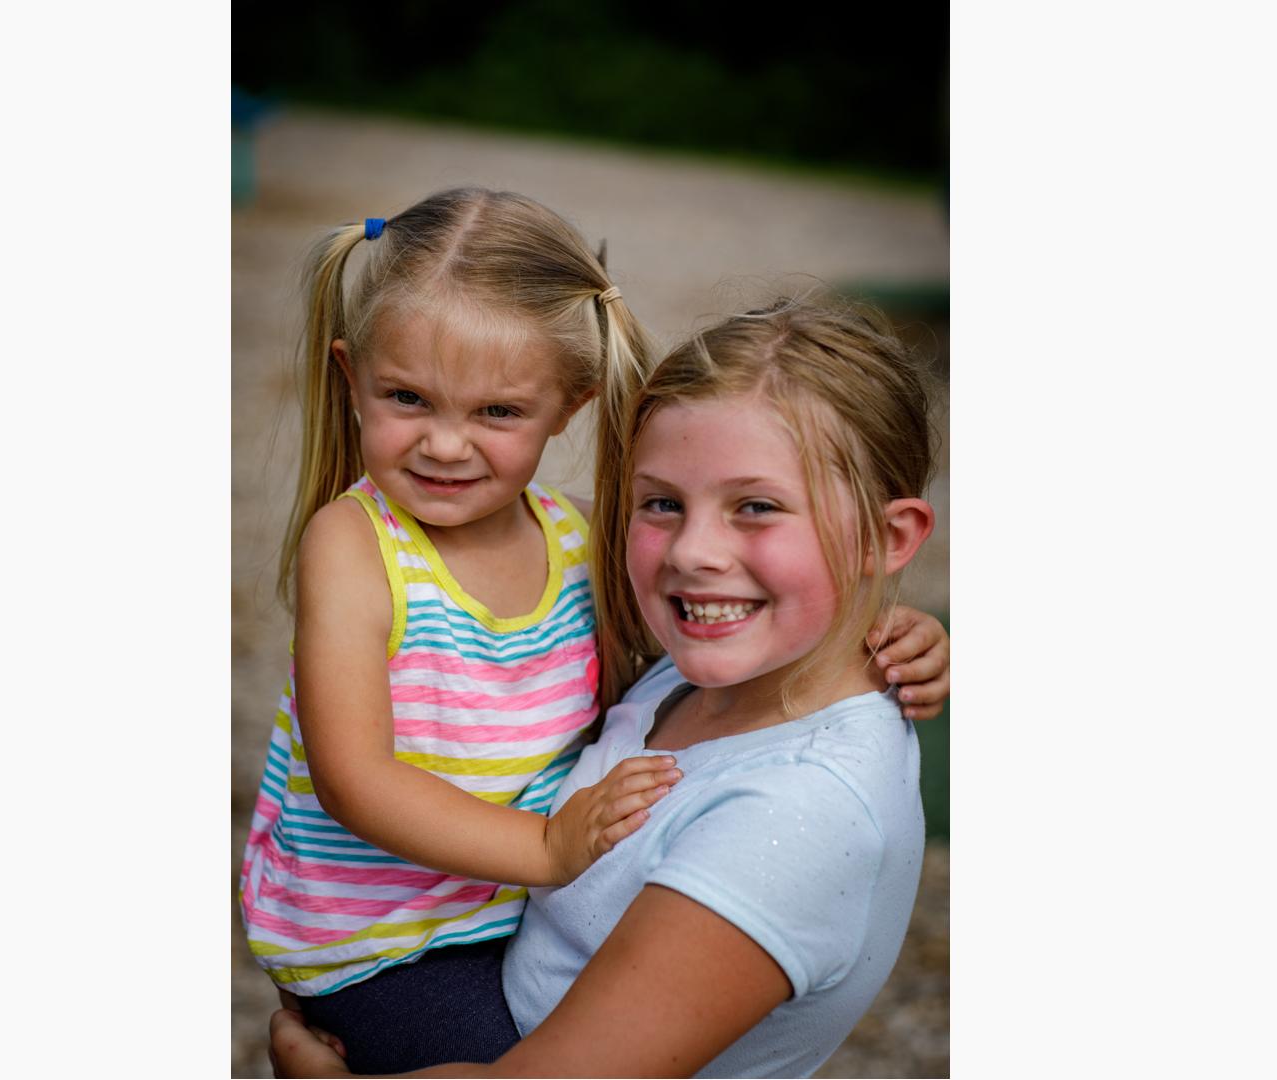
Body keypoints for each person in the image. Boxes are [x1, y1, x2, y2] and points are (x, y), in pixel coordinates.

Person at [241, 191, 951, 1071]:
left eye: (497, 412)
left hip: (477, 921)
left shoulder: (573, 542)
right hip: (385, 943)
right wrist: (545, 848)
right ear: (353, 378)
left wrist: (881, 620)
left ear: (569, 406)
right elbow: (354, 779)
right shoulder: (355, 542)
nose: (447, 446)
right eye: (408, 398)